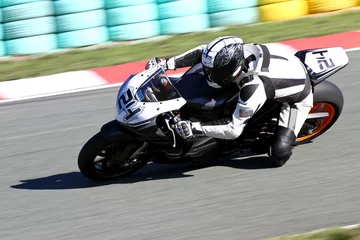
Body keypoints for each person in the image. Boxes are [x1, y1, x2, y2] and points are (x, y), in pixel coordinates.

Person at [146, 36, 313, 167]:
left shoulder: (253, 88)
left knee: (279, 154)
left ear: (229, 72)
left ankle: (268, 141)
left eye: (212, 72)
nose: (207, 74)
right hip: (280, 64)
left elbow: (233, 129)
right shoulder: (233, 53)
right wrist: (165, 63)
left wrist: (194, 128)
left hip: (296, 97)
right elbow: (202, 52)